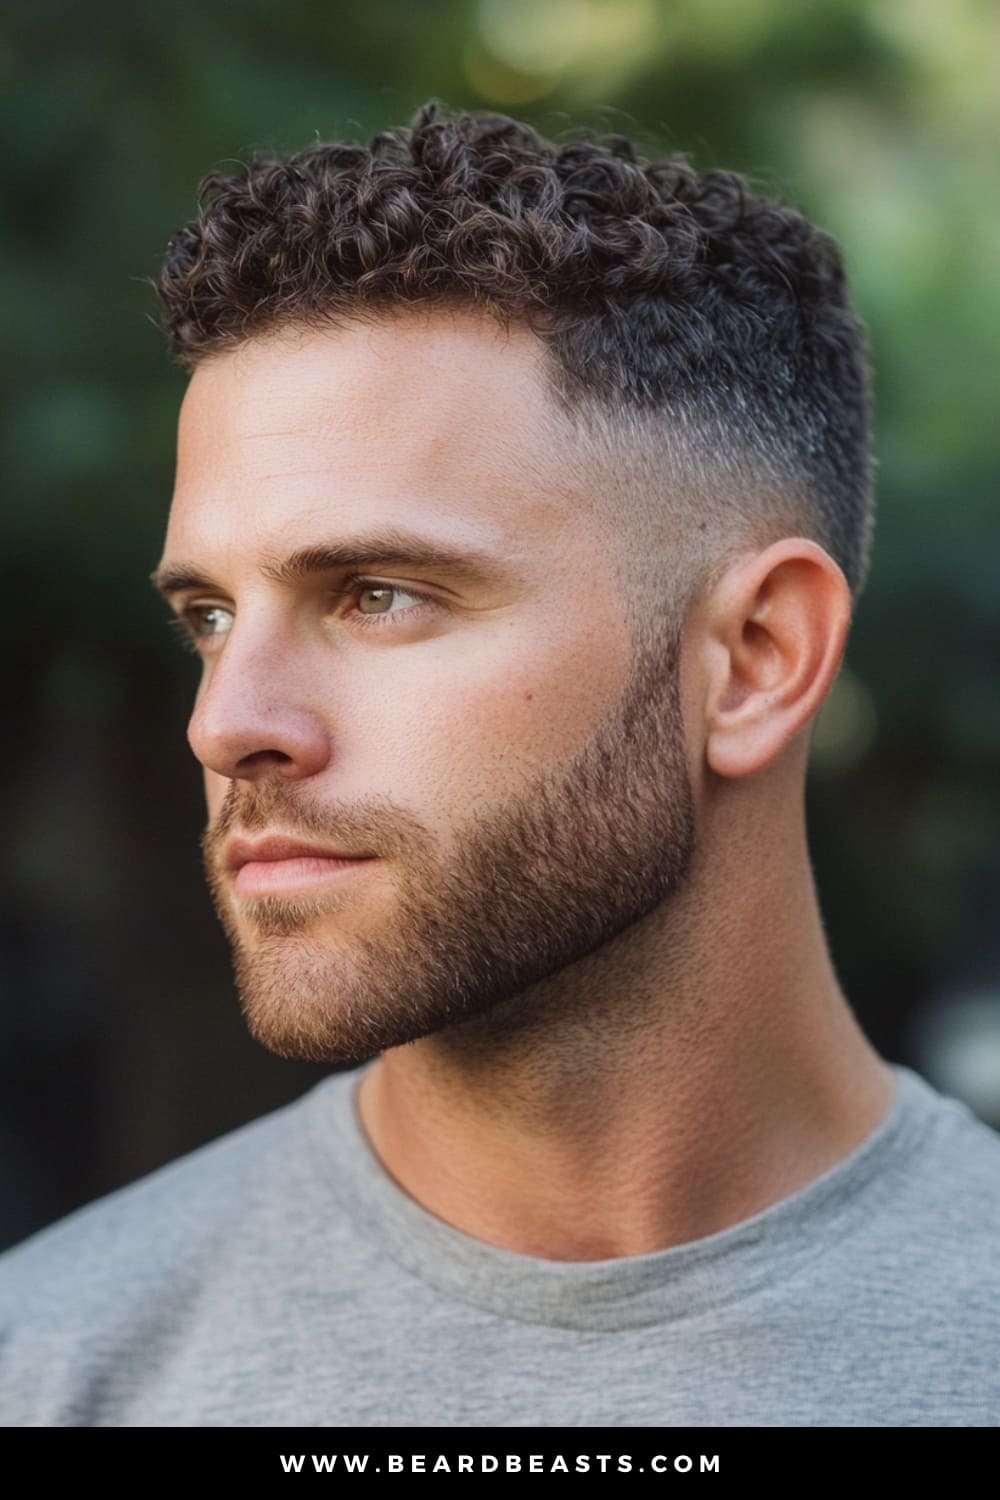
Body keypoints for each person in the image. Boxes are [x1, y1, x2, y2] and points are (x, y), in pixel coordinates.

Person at [2, 100, 998, 1430]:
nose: (224, 722)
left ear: (756, 658)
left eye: (377, 594)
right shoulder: (54, 1364)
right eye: (210, 616)